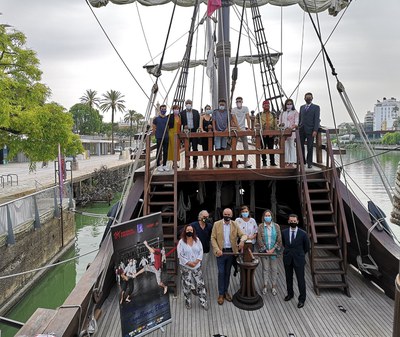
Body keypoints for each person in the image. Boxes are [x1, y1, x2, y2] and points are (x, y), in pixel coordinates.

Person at [211, 208, 247, 305]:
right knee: (221, 272)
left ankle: (226, 291)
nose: (227, 216)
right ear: (223, 214)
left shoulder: (235, 224)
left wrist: (242, 240)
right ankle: (221, 294)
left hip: (231, 253)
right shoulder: (216, 224)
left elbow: (243, 235)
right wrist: (217, 249)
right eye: (225, 214)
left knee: (227, 273)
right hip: (220, 253)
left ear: (231, 215)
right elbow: (213, 238)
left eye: (229, 214)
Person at [177, 224, 209, 310]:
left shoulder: (197, 240)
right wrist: (189, 263)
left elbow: (201, 251)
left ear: (193, 231)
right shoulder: (181, 242)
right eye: (187, 230)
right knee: (186, 286)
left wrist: (197, 261)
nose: (189, 232)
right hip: (185, 267)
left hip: (197, 266)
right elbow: (180, 255)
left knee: (200, 285)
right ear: (185, 231)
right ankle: (188, 301)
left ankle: (203, 302)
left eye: (191, 230)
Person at [281, 214, 310, 308]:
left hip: (299, 259)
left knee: (300, 280)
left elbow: (306, 247)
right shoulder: (284, 232)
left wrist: (299, 254)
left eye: (294, 221)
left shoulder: (303, 233)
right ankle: (290, 294)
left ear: (297, 221)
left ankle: (302, 299)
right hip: (288, 258)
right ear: (288, 221)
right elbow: (285, 244)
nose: (293, 222)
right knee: (288, 278)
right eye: (291, 221)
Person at [257, 210, 282, 296]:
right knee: (265, 269)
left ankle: (274, 286)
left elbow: (279, 239)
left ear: (271, 216)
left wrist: (273, 249)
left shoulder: (276, 226)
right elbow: (259, 239)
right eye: (266, 216)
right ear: (263, 217)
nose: (267, 217)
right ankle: (265, 285)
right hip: (264, 251)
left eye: (269, 215)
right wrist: (265, 250)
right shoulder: (260, 226)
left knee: (274, 269)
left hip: (274, 251)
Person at [212, 99, 238, 168]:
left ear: (225, 105)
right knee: (217, 148)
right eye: (220, 104)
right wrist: (214, 130)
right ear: (218, 105)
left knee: (223, 147)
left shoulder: (227, 112)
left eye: (223, 105)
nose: (221, 106)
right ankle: (217, 161)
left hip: (225, 132)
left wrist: (227, 128)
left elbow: (229, 121)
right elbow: (213, 121)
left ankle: (221, 161)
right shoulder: (215, 112)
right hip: (217, 131)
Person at [299, 92, 320, 169]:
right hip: (302, 129)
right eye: (307, 97)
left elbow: (316, 119)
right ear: (304, 98)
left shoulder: (316, 107)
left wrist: (315, 130)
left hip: (310, 130)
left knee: (310, 147)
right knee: (300, 146)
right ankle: (302, 161)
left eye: (310, 97)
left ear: (312, 98)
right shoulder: (302, 107)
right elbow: (300, 118)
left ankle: (309, 162)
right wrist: (299, 126)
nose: (308, 99)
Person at [231, 97, 252, 168]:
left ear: (242, 101)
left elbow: (248, 118)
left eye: (239, 101)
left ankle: (246, 161)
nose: (238, 102)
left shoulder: (245, 108)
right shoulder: (233, 110)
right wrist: (238, 128)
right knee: (234, 146)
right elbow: (234, 119)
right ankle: (233, 160)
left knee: (246, 146)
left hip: (243, 130)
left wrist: (249, 128)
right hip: (236, 130)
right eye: (237, 101)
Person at [180, 99, 200, 168]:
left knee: (195, 147)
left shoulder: (196, 112)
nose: (188, 104)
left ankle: (195, 161)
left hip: (194, 131)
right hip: (186, 132)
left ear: (191, 104)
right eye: (187, 103)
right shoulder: (182, 113)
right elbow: (180, 123)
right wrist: (183, 128)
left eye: (190, 103)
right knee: (187, 148)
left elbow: (199, 121)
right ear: (185, 104)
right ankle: (187, 161)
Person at [256, 100, 277, 167]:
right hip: (263, 134)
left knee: (271, 148)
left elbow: (275, 124)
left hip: (271, 134)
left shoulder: (273, 114)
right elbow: (256, 124)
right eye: (265, 105)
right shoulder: (259, 115)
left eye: (268, 105)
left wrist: (275, 133)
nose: (267, 106)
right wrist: (259, 131)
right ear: (263, 106)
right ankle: (264, 162)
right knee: (263, 148)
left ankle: (272, 162)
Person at [279, 98, 299, 167]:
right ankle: (286, 160)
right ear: (285, 105)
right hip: (284, 132)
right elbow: (280, 122)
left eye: (290, 104)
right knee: (285, 146)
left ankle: (292, 161)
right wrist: (281, 127)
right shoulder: (282, 113)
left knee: (291, 146)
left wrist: (290, 128)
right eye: (288, 104)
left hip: (291, 132)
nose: (289, 105)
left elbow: (296, 123)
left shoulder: (295, 112)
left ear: (292, 105)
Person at [152, 104, 170, 172]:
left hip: (166, 137)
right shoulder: (156, 119)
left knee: (165, 151)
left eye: (164, 109)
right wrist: (153, 133)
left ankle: (164, 165)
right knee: (159, 151)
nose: (163, 110)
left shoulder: (167, 118)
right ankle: (158, 165)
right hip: (159, 136)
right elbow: (153, 127)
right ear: (160, 110)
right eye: (162, 109)